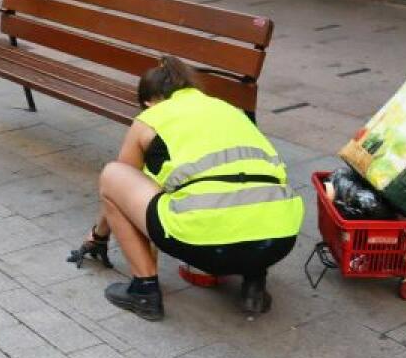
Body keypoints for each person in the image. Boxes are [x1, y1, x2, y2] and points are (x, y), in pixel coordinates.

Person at [74, 57, 303, 319]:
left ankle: (144, 290)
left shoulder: (152, 117)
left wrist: (98, 236)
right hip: (279, 241)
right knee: (250, 191)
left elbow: (120, 188)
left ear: (149, 100)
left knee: (113, 173)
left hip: (206, 246)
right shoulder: (230, 110)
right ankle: (254, 286)